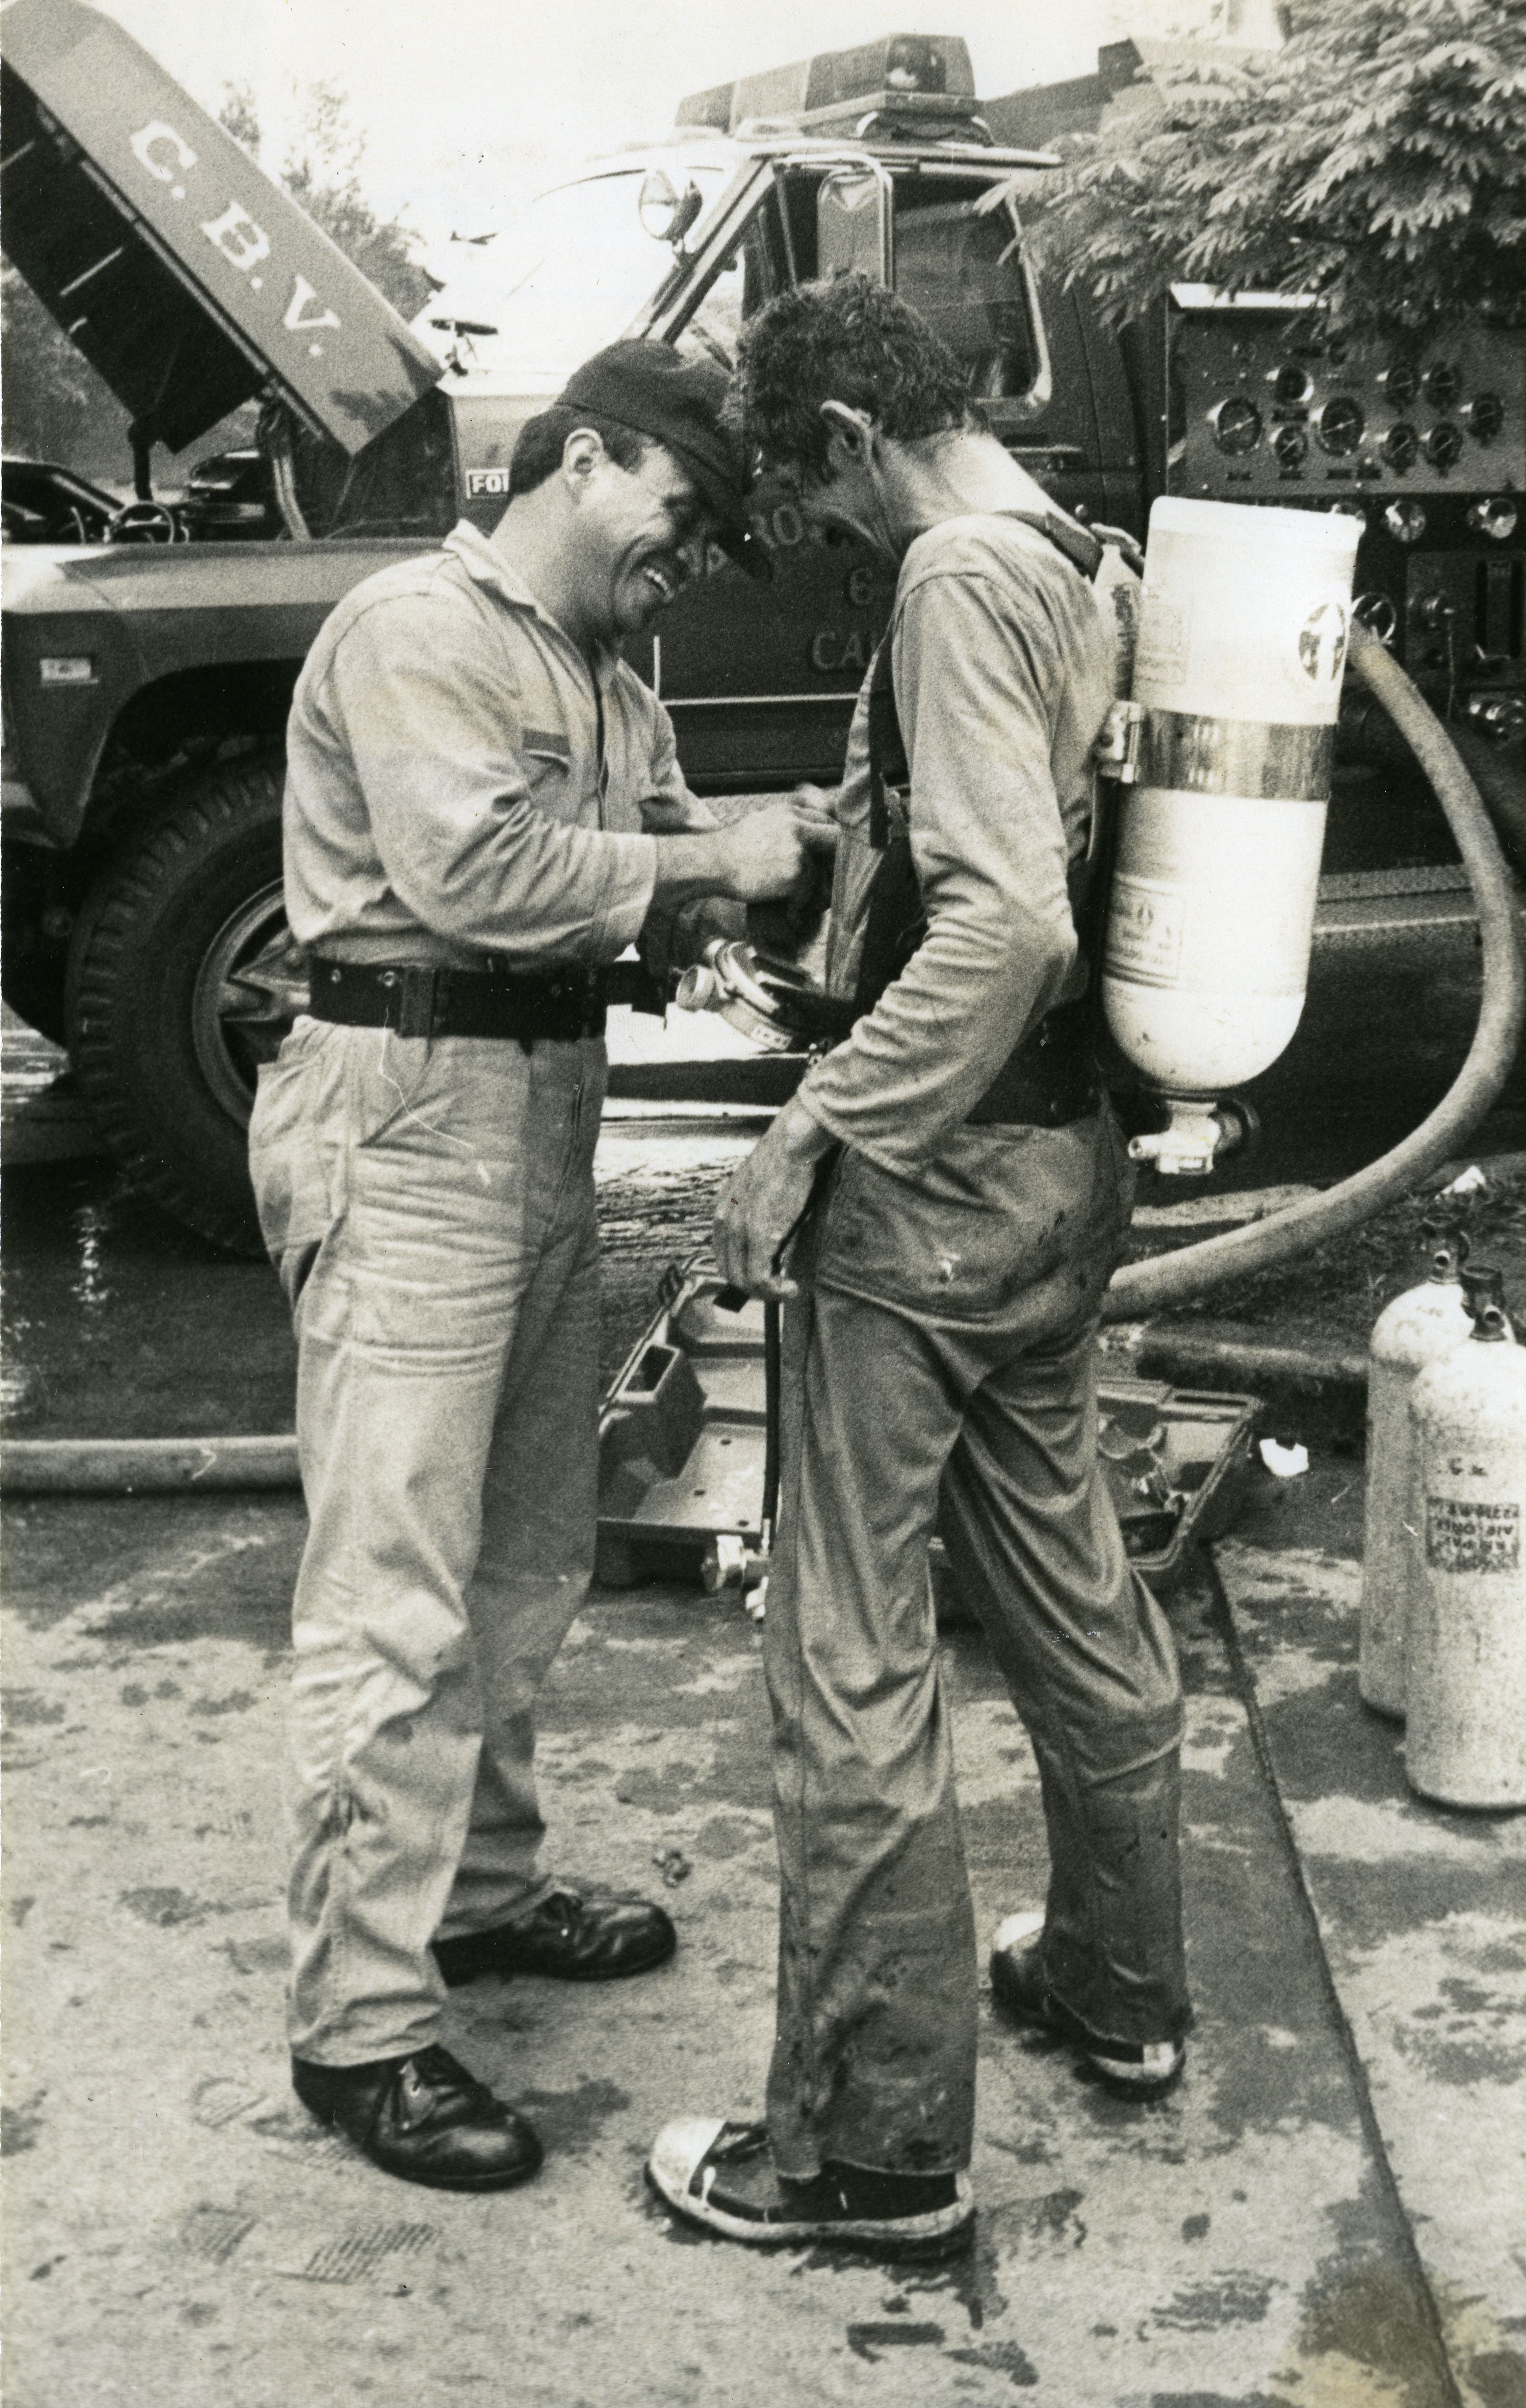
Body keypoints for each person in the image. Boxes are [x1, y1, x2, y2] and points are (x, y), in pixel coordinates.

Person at [248, 340, 836, 2195]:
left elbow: (650, 874)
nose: (689, 559)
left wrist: (755, 876)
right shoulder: (418, 628)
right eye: (679, 512)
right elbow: (475, 873)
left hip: (537, 1108)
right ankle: (359, 2029)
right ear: (581, 459)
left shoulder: (606, 673)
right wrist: (706, 858)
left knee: (523, 1551)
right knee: (395, 1591)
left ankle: (478, 1891)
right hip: (405, 1108)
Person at [647, 277, 1189, 2256]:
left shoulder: (953, 575)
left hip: (933, 1198)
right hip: (1057, 1176)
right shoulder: (1075, 554)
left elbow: (1007, 926)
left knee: (851, 1652)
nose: (816, 534)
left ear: (842, 437)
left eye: (806, 493)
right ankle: (1118, 1987)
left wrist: (814, 1125)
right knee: (1070, 1581)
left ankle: (869, 2154)